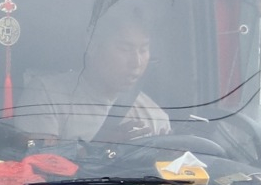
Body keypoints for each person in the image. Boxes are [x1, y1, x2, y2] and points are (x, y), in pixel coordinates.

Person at [21, 8, 172, 147]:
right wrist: (97, 149)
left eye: (143, 50)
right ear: (92, 45)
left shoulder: (155, 116)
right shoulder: (46, 96)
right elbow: (39, 161)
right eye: (125, 49)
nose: (136, 62)